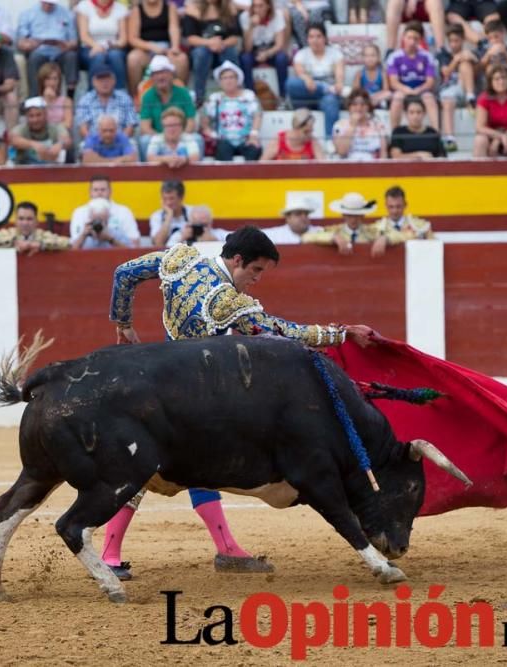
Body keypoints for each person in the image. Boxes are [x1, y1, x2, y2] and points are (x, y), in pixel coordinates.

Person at [105, 225, 376, 578]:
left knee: (198, 466)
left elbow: (123, 273)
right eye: (255, 270)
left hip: (157, 377)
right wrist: (339, 334)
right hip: (194, 394)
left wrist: (123, 323)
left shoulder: (182, 258)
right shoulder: (227, 300)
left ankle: (225, 549)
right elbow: (279, 331)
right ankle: (110, 555)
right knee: (150, 468)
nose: (257, 280)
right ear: (236, 260)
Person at [286, 22, 343, 139]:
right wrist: (307, 79)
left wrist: (337, 85)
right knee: (291, 84)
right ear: (307, 39)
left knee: (331, 102)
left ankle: (330, 142)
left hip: (327, 97)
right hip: (306, 95)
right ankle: (325, 88)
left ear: (325, 38)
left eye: (318, 36)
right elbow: (300, 72)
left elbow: (339, 80)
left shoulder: (335, 54)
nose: (315, 40)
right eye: (311, 37)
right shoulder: (301, 54)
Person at [16, 0, 78, 99]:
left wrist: (67, 45)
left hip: (60, 51)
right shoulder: (28, 14)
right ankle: (34, 98)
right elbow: (20, 42)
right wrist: (30, 44)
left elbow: (74, 41)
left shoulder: (67, 14)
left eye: (51, 3)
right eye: (46, 3)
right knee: (34, 58)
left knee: (71, 57)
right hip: (39, 51)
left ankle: (70, 97)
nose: (48, 5)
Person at [201, 60, 262, 161]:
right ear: (220, 82)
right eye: (224, 78)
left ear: (237, 80)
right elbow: (204, 117)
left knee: (254, 149)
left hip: (245, 139)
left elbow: (258, 114)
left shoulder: (248, 95)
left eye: (231, 77)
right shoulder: (215, 98)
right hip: (223, 140)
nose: (228, 81)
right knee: (222, 149)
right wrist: (211, 133)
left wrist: (254, 135)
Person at [183, 0, 241, 104]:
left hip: (224, 48)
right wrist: (209, 43)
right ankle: (199, 97)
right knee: (202, 53)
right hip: (202, 49)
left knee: (229, 52)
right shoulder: (193, 8)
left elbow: (235, 37)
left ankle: (235, 93)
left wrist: (221, 44)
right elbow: (190, 38)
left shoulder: (229, 8)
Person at [126, 0, 188, 95]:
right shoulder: (137, 10)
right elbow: (133, 38)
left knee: (182, 59)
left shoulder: (170, 7)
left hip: (166, 48)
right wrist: (150, 46)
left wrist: (175, 47)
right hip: (144, 49)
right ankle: (135, 96)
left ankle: (180, 95)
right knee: (133, 59)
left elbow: (174, 28)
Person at [386, 21, 439, 131]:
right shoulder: (395, 57)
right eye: (409, 38)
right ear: (403, 38)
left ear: (420, 40)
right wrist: (407, 90)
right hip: (403, 89)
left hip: (422, 89)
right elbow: (394, 82)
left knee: (429, 98)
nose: (412, 42)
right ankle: (394, 134)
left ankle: (436, 133)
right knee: (397, 98)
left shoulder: (427, 57)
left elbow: (430, 82)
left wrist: (418, 90)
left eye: (415, 39)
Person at [436, 23, 478, 152]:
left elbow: (479, 70)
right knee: (447, 102)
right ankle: (450, 138)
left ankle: (470, 98)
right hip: (450, 90)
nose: (453, 44)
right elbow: (446, 72)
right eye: (451, 41)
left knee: (465, 64)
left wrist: (473, 59)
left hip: (466, 87)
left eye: (456, 41)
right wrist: (457, 59)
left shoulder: (471, 53)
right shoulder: (443, 55)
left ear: (463, 40)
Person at [69, 175, 139, 249]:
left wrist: (109, 238)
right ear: (90, 192)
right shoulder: (79, 212)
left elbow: (135, 245)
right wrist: (84, 234)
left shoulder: (124, 211)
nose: (99, 193)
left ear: (110, 191)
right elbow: (73, 248)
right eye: (95, 190)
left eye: (103, 190)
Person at [364, 185, 434, 258]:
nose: (395, 211)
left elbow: (434, 248)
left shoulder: (421, 226)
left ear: (405, 205)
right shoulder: (376, 228)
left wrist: (386, 238)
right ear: (386, 206)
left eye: (398, 206)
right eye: (391, 207)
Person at [74, 63, 140, 140]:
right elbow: (83, 128)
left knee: (132, 148)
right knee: (85, 149)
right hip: (94, 143)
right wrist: (94, 143)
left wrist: (120, 143)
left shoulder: (124, 98)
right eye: (100, 79)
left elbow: (130, 126)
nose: (104, 83)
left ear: (114, 80)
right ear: (93, 82)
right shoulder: (85, 100)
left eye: (107, 79)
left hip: (122, 143)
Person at [473, 65, 507, 158]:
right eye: (497, 79)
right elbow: (480, 127)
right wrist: (499, 137)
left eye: (504, 78)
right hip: (491, 134)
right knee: (479, 140)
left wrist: (505, 136)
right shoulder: (484, 97)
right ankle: (479, 171)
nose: (501, 82)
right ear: (491, 82)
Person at [301, 191, 377, 256]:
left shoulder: (372, 231)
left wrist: (384, 239)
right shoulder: (333, 231)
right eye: (349, 215)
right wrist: (333, 237)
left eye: (356, 216)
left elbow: (387, 235)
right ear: (343, 215)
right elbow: (305, 238)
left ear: (363, 215)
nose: (353, 220)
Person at [238, 0, 288, 98]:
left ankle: (283, 96)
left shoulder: (277, 15)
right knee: (245, 59)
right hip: (253, 50)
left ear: (268, 6)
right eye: (255, 6)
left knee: (281, 58)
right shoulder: (244, 16)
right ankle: (250, 96)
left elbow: (279, 44)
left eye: (261, 6)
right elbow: (247, 48)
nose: (257, 10)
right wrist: (251, 27)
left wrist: (267, 53)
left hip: (271, 49)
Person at [75, 0, 129, 90]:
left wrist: (107, 46)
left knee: (115, 56)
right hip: (89, 47)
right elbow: (83, 36)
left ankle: (120, 93)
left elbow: (123, 40)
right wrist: (97, 46)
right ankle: (93, 95)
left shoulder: (121, 9)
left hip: (112, 47)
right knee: (98, 57)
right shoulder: (84, 6)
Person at [139, 54, 197, 137]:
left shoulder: (183, 93)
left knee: (197, 139)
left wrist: (181, 138)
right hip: (157, 138)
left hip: (182, 137)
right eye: (156, 74)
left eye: (164, 72)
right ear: (151, 77)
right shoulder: (147, 96)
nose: (160, 77)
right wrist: (162, 140)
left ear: (172, 74)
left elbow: (191, 122)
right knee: (145, 140)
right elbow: (145, 126)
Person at [0, 201, 70, 253]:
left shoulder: (42, 235)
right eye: (21, 219)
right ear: (15, 221)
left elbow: (67, 243)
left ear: (36, 222)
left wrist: (41, 245)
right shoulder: (8, 234)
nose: (25, 223)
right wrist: (14, 242)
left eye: (29, 219)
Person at [9, 96, 69, 165]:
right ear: (26, 117)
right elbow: (13, 139)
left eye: (38, 115)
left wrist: (60, 144)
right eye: (31, 116)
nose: (35, 120)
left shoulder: (55, 127)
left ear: (45, 114)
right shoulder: (22, 129)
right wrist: (33, 144)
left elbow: (67, 140)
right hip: (25, 172)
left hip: (51, 171)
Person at [332, 88, 388, 161]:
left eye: (363, 104)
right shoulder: (339, 126)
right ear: (349, 107)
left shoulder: (379, 126)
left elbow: (383, 154)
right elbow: (341, 152)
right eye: (355, 104)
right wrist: (352, 126)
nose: (359, 108)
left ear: (368, 106)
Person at [70, 197, 138, 249]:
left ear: (107, 220)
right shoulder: (85, 235)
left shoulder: (116, 234)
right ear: (90, 219)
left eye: (101, 220)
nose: (98, 223)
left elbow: (130, 253)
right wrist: (83, 236)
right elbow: (71, 253)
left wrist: (110, 239)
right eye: (95, 220)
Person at [149, 179, 191, 247]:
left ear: (181, 197)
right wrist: (169, 216)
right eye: (165, 199)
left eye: (172, 198)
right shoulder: (157, 216)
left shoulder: (192, 213)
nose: (168, 203)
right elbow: (158, 243)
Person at [37, 61, 73, 136]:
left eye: (55, 79)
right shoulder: (36, 101)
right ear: (42, 81)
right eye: (48, 79)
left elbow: (68, 124)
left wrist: (53, 129)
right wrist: (46, 102)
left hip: (60, 135)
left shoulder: (66, 101)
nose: (52, 83)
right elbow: (37, 123)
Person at [163, 204, 227, 246]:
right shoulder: (180, 235)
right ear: (190, 223)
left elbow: (234, 244)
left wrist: (216, 242)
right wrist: (181, 239)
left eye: (205, 225)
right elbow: (168, 251)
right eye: (198, 225)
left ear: (210, 223)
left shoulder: (219, 234)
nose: (202, 228)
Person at [353, 43, 392, 110]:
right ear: (363, 58)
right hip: (365, 97)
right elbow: (356, 91)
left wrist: (375, 97)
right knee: (358, 98)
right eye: (367, 56)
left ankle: (372, 104)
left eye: (373, 55)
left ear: (378, 57)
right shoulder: (359, 73)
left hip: (378, 98)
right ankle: (368, 104)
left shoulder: (382, 73)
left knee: (388, 94)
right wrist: (366, 97)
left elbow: (386, 90)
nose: (370, 58)